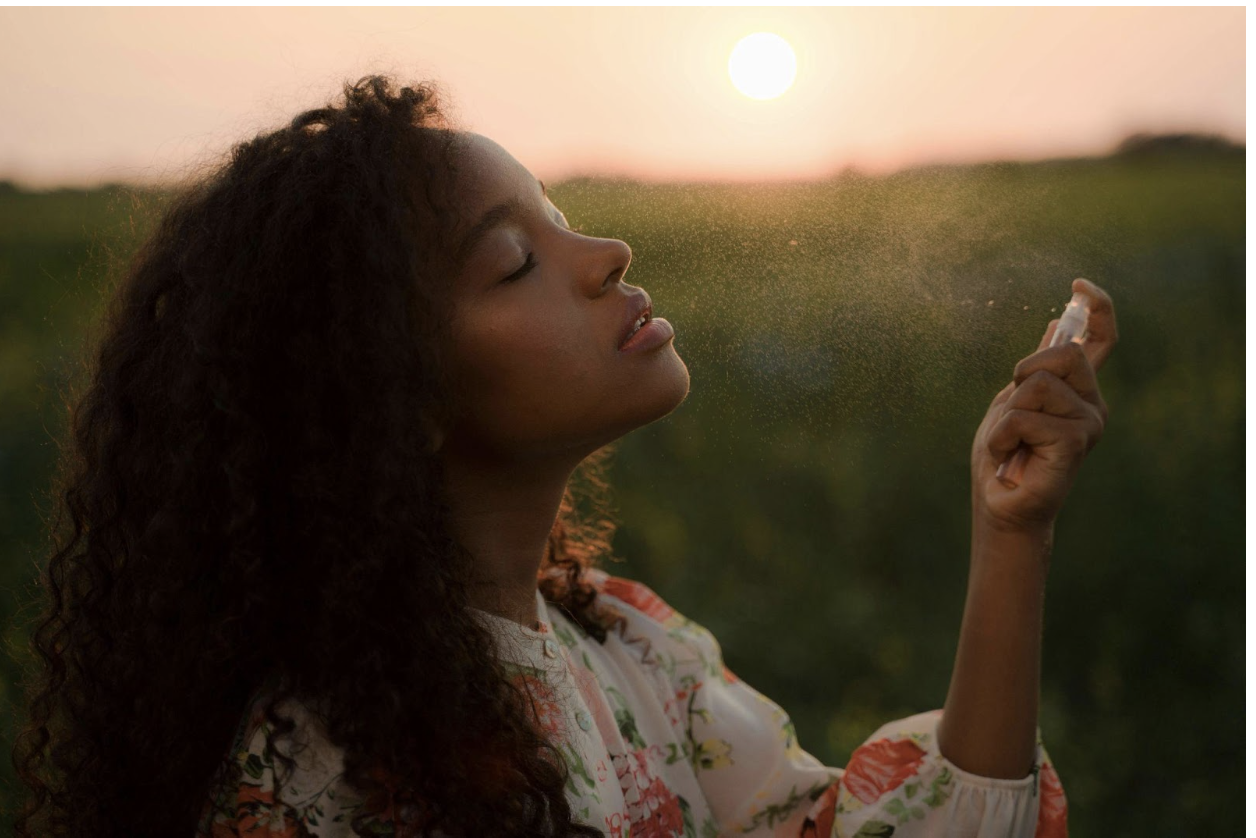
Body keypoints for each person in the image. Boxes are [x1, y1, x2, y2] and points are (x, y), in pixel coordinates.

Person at [12, 73, 1114, 837]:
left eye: (561, 215)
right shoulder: (322, 772)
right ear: (391, 399)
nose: (605, 253)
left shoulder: (627, 646)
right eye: (512, 261)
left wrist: (1009, 532)